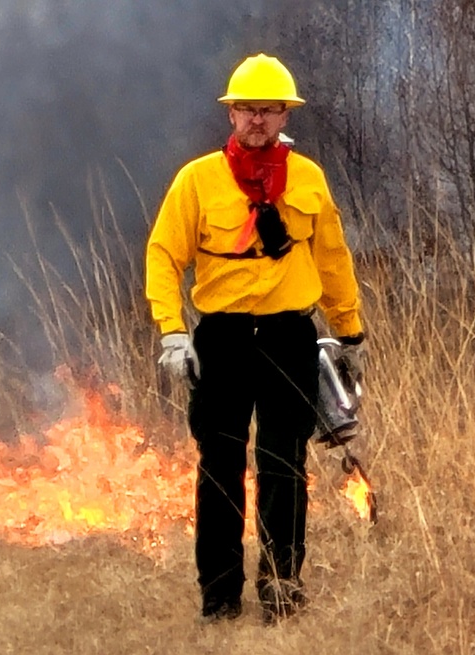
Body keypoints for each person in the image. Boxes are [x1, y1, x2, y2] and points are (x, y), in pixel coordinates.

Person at [145, 53, 365, 624]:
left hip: (291, 337)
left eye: (270, 109)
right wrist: (174, 333)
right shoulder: (197, 180)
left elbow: (334, 257)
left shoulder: (309, 179)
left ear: (286, 113)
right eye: (247, 108)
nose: (258, 119)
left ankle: (282, 590)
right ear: (231, 114)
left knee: (283, 466)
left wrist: (349, 331)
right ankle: (219, 600)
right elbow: (164, 255)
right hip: (223, 340)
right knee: (219, 465)